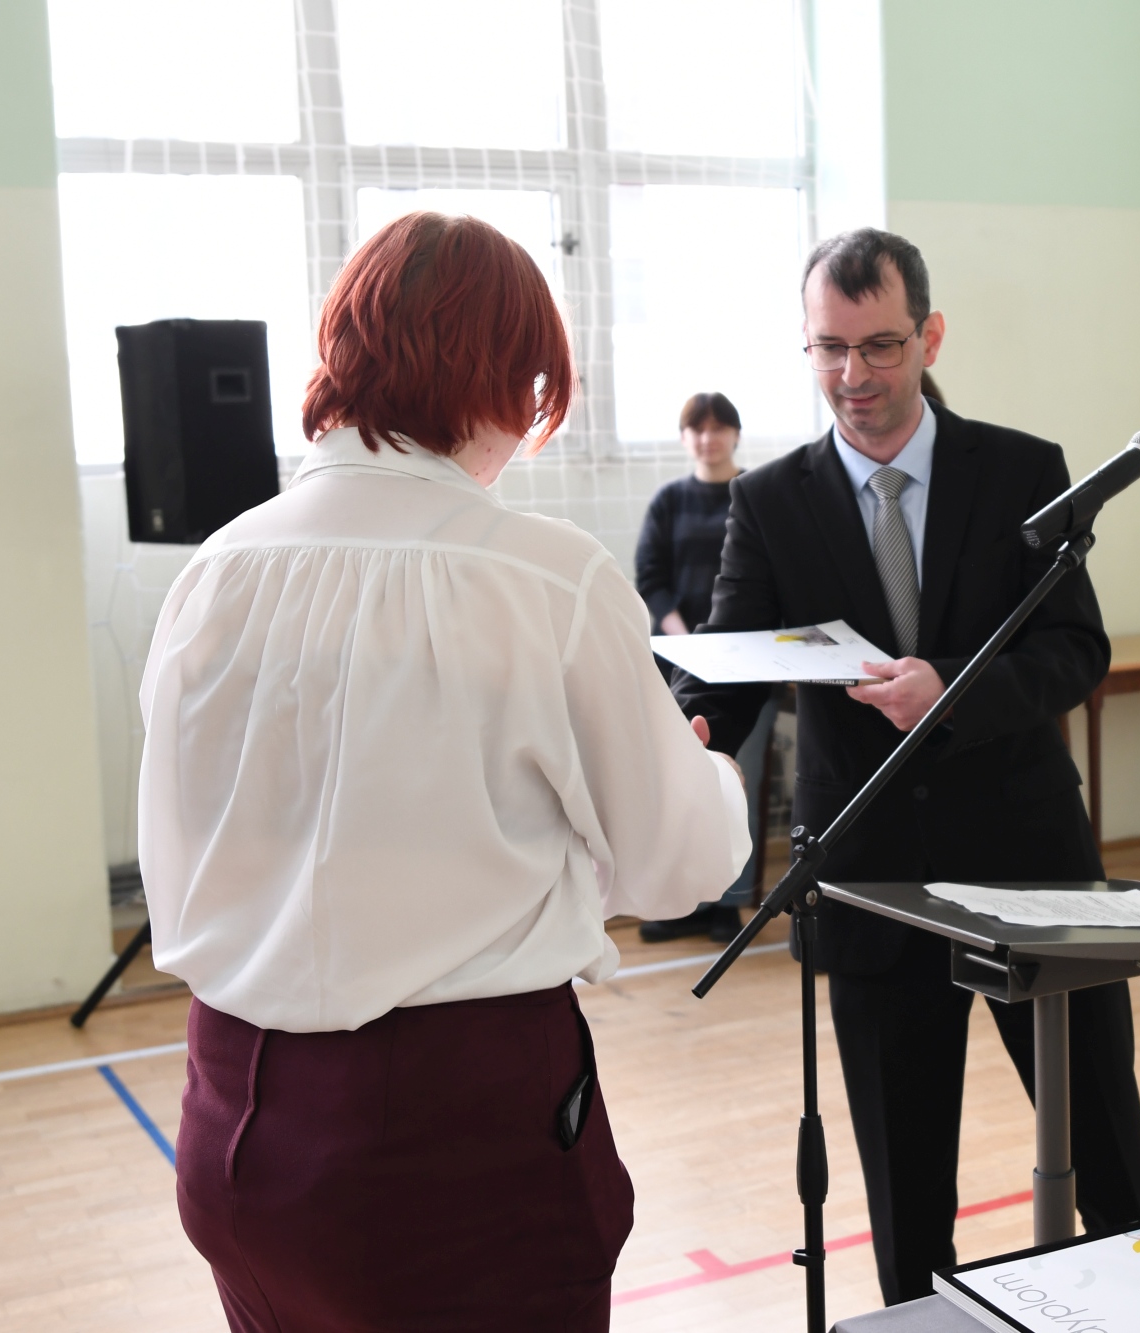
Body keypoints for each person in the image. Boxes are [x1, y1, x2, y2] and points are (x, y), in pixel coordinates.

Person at [138, 212, 751, 1330]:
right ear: (501, 378)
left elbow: (197, 836)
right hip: (449, 1136)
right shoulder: (541, 578)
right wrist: (699, 774)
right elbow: (678, 865)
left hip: (230, 1111)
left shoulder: (218, 569)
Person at [673, 228, 1140, 1304]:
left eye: (880, 346)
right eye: (829, 348)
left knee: (1112, 1163)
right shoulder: (771, 500)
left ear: (930, 335)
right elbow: (734, 665)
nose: (853, 375)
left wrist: (953, 690)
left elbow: (1074, 651)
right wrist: (689, 728)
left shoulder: (1025, 471)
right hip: (868, 876)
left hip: (1031, 867)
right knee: (906, 1203)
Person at [635, 392, 777, 943]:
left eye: (718, 428)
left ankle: (729, 904)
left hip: (745, 667)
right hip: (677, 663)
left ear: (735, 434)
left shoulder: (758, 495)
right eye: (697, 428)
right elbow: (651, 577)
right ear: (684, 437)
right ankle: (682, 902)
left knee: (740, 777)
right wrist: (687, 642)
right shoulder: (669, 500)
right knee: (677, 781)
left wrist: (719, 648)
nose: (707, 438)